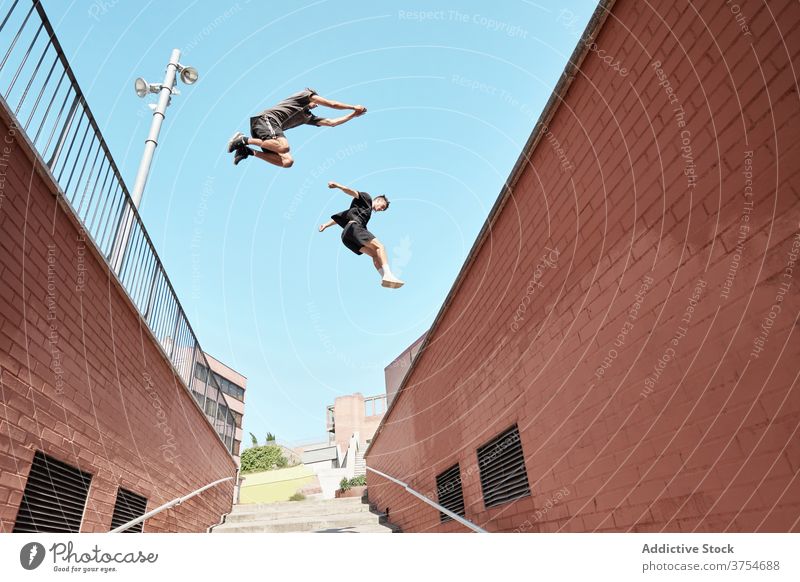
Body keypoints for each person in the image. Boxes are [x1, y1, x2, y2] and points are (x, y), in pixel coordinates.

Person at [227, 88, 366, 167]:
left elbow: (331, 122)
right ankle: (243, 139)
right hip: (265, 120)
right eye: (315, 101)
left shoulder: (307, 117)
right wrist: (353, 106)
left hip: (269, 134)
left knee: (288, 161)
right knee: (284, 147)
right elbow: (332, 104)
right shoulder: (304, 96)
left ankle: (248, 151)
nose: (316, 104)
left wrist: (353, 115)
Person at [319, 181, 404, 289]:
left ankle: (384, 278)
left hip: (346, 236)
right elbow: (351, 192)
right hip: (354, 228)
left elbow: (343, 215)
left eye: (382, 209)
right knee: (380, 247)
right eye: (382, 206)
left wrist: (326, 225)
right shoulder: (366, 198)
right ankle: (389, 274)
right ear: (378, 200)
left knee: (374, 254)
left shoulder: (361, 210)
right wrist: (337, 185)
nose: (381, 210)